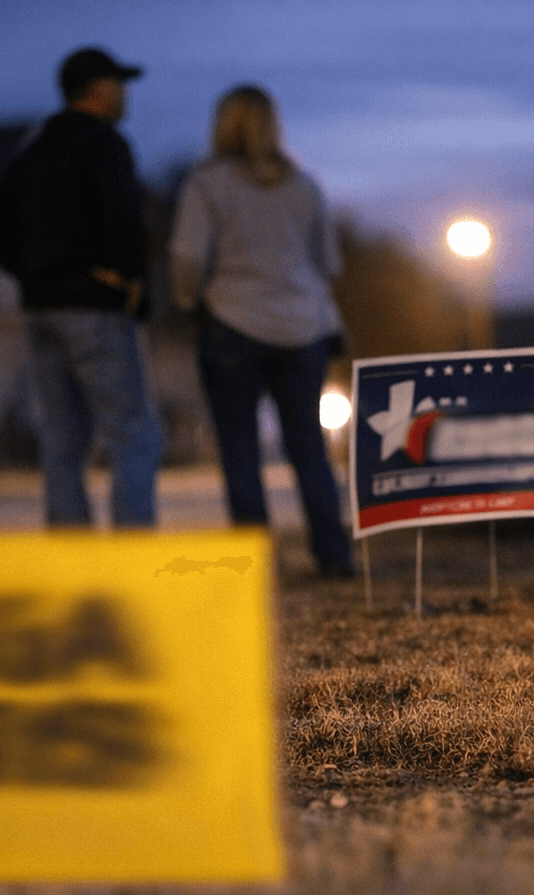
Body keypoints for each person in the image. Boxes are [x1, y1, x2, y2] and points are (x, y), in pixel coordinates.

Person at [169, 84, 354, 576]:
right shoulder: (305, 186)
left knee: (240, 450)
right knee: (309, 449)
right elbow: (330, 263)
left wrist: (192, 300)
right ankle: (334, 557)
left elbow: (186, 258)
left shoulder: (206, 184)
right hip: (303, 328)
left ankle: (256, 567)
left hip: (232, 323)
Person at [0, 47, 162, 528]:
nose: (126, 95)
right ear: (99, 92)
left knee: (62, 442)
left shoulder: (34, 150)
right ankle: (133, 562)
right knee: (133, 434)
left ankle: (72, 561)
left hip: (41, 309)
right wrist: (126, 275)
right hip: (93, 308)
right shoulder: (103, 143)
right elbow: (124, 216)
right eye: (120, 85)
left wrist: (31, 272)